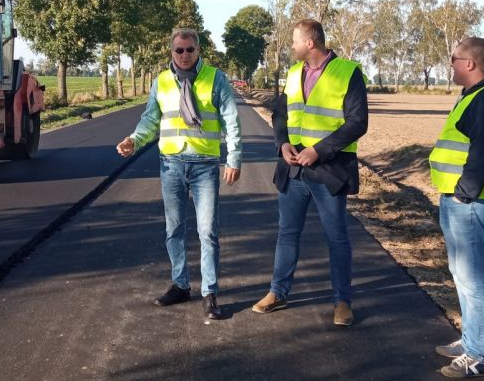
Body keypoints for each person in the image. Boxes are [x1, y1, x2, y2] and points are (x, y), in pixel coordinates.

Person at [116, 28, 242, 320]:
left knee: (207, 231)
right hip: (170, 164)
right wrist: (134, 140)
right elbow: (151, 117)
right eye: (179, 51)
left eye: (190, 50)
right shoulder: (161, 82)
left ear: (198, 51)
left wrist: (233, 158)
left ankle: (209, 292)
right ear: (171, 53)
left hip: (205, 166)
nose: (184, 55)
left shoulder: (216, 78)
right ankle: (180, 285)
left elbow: (232, 121)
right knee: (173, 229)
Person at [252, 19, 368, 327]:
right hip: (293, 171)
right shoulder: (293, 74)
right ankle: (278, 292)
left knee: (337, 238)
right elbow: (280, 114)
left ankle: (342, 301)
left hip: (329, 170)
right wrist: (283, 144)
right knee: (287, 233)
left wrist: (319, 150)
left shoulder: (348, 73)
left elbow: (357, 123)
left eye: (294, 41)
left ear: (310, 43)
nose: (291, 46)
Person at [428, 37, 484, 378]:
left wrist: (465, 192)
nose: (450, 64)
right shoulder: (474, 97)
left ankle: (478, 355)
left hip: (472, 203)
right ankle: (470, 340)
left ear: (471, 63)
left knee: (474, 279)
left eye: (454, 58)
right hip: (458, 200)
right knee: (462, 275)